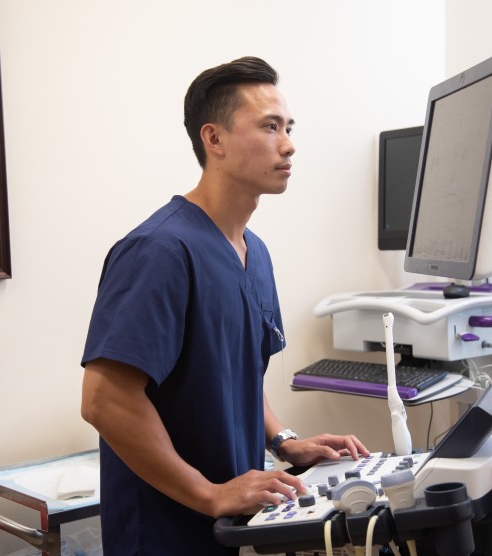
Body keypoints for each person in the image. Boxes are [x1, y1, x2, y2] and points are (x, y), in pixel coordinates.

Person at [80, 56, 369, 555]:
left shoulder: (253, 253)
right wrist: (209, 492)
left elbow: (237, 374)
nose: (289, 144)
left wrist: (283, 442)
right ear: (213, 139)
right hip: (163, 534)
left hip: (225, 527)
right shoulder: (160, 252)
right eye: (270, 126)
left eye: (289, 127)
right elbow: (106, 400)